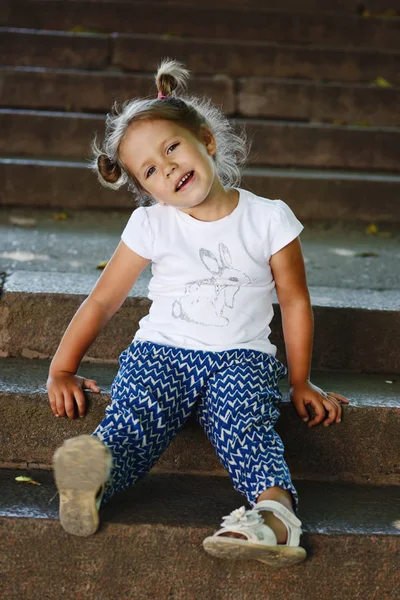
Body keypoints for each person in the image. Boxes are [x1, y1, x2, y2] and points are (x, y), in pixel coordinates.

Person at [47, 58, 350, 567]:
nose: (166, 167)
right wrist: (62, 367)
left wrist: (300, 381)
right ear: (147, 189)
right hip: (160, 351)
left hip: (241, 358)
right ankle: (90, 483)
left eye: (172, 148)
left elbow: (295, 301)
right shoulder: (151, 226)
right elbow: (103, 299)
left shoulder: (268, 218)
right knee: (135, 413)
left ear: (206, 140)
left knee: (245, 422)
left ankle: (274, 516)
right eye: (150, 169)